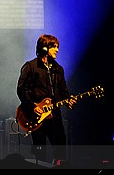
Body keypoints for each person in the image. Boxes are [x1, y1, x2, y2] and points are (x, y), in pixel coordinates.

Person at [16, 33, 76, 165]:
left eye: (57, 47)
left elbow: (63, 91)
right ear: (44, 48)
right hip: (36, 116)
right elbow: (21, 90)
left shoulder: (58, 69)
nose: (57, 50)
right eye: (54, 46)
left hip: (54, 116)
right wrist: (33, 106)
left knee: (61, 149)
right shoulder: (30, 67)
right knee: (40, 150)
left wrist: (68, 100)